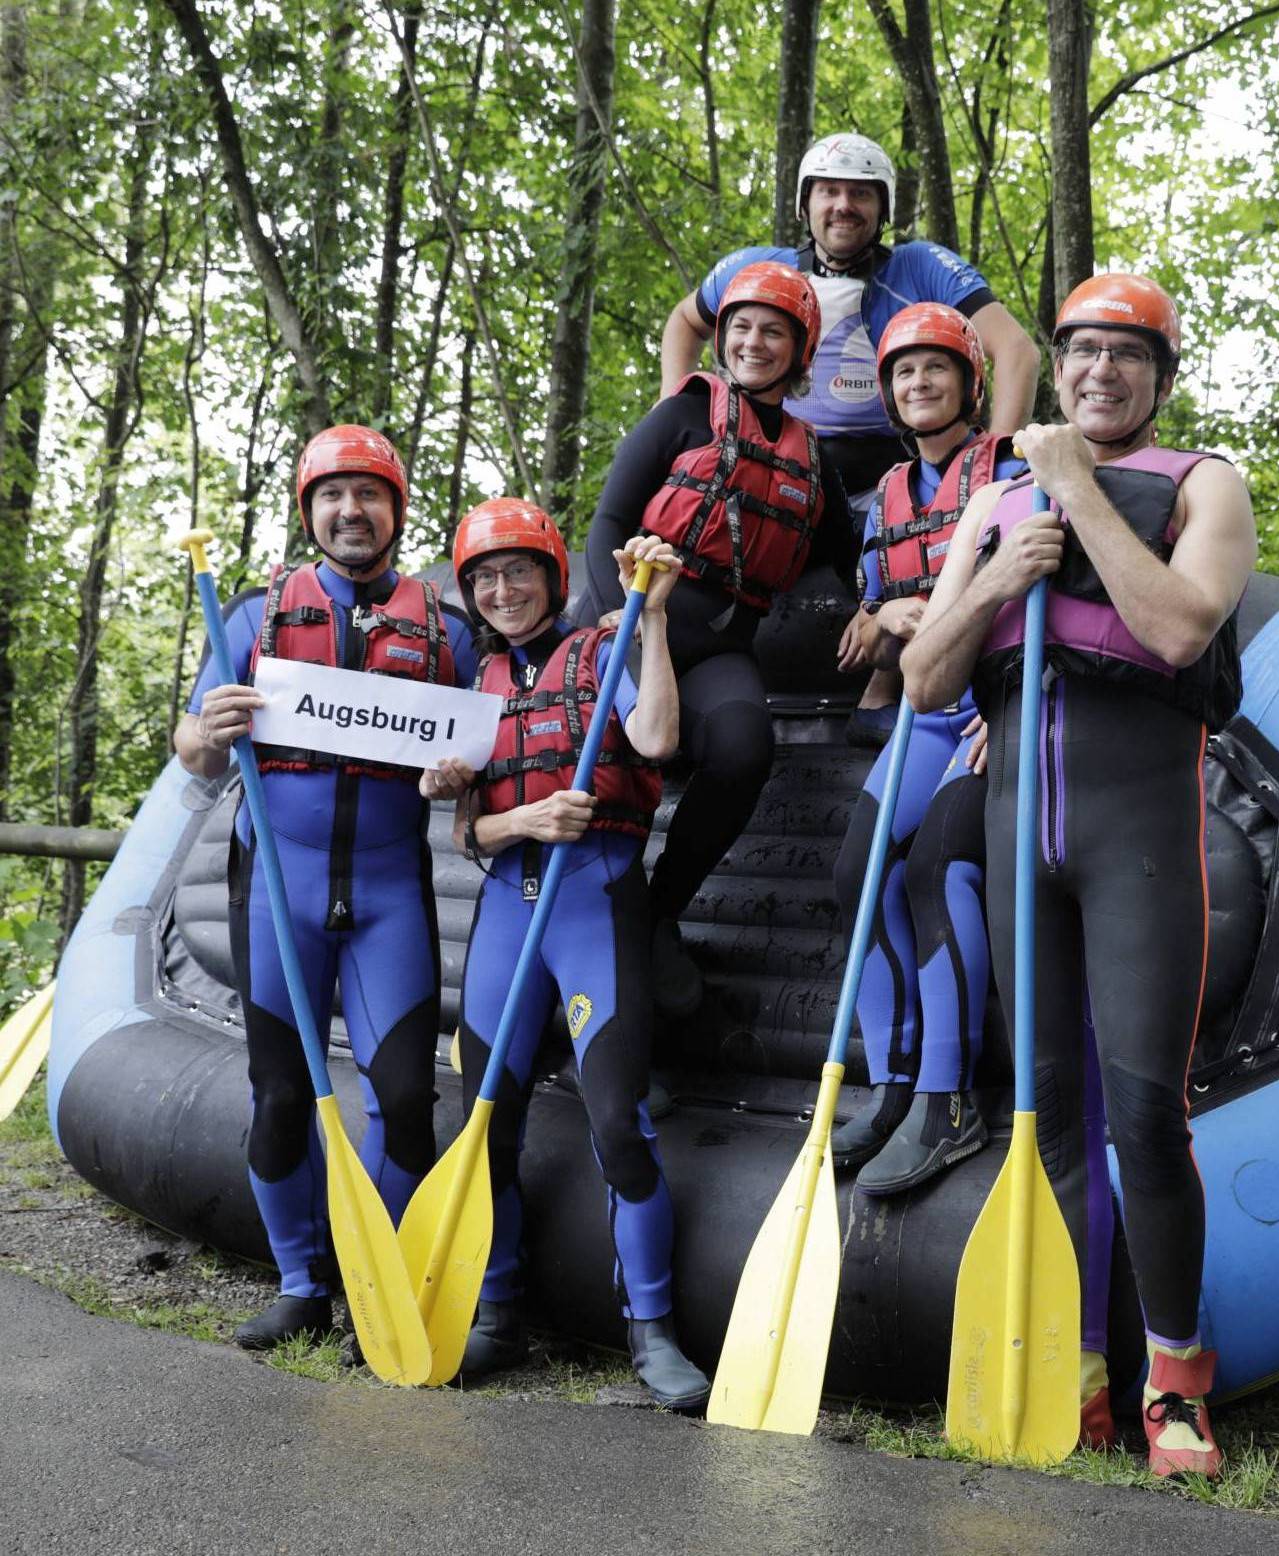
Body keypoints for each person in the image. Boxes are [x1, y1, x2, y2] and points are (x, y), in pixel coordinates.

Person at [901, 274, 1256, 1476]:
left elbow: (1178, 627)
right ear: (1056, 368)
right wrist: (999, 575)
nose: (1100, 371)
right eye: (1082, 352)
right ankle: (1077, 1365)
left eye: (1126, 355)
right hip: (1018, 841)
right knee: (1042, 1110)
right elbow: (925, 684)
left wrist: (1074, 493)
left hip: (1136, 835)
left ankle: (1177, 1380)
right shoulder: (987, 504)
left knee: (1147, 1114)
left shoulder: (1202, 483)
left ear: (1160, 375)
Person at [174, 425, 478, 1350]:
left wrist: (463, 779)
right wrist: (211, 731)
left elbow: (485, 754)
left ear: (397, 510)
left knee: (405, 1100)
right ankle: (303, 1284)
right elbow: (189, 752)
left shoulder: (447, 630)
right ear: (311, 513)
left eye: (371, 494)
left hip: (390, 894)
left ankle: (378, 1287)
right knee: (279, 1096)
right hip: (278, 889)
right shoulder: (253, 617)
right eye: (333, 496)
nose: (353, 511)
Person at [426, 499, 709, 1408]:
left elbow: (659, 739)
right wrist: (522, 816)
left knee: (618, 1121)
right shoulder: (476, 684)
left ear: (552, 576)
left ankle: (653, 1331)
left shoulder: (606, 646)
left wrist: (654, 616)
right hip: (511, 911)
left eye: (519, 572)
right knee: (486, 1120)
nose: (503, 591)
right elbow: (470, 831)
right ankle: (497, 1313)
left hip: (597, 903)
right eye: (484, 579)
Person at [660, 132, 1040, 747]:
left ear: (882, 207)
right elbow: (685, 321)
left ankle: (887, 687)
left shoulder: (920, 266)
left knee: (928, 521)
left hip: (891, 467)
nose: (844, 205)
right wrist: (681, 405)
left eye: (861, 193)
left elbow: (1016, 350)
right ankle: (680, 686)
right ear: (807, 204)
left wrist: (992, 459)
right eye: (830, 192)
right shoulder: (761, 267)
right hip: (787, 463)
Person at [584, 260, 854, 1020]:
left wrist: (883, 609)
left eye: (773, 331)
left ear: (801, 352)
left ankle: (657, 912)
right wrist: (620, 615)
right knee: (627, 758)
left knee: (743, 747)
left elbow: (845, 557)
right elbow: (608, 522)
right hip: (636, 621)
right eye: (740, 327)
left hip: (722, 640)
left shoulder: (813, 457)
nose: (753, 342)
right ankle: (588, 921)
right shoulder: (681, 415)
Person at [828, 303, 1025, 1194]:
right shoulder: (883, 500)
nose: (918, 384)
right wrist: (879, 615)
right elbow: (873, 618)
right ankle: (894, 1083)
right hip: (922, 709)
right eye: (903, 373)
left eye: (935, 369)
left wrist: (1021, 704)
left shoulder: (1015, 472)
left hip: (991, 712)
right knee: (856, 873)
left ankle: (950, 1100)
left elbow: (1061, 589)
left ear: (971, 382)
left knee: (936, 871)